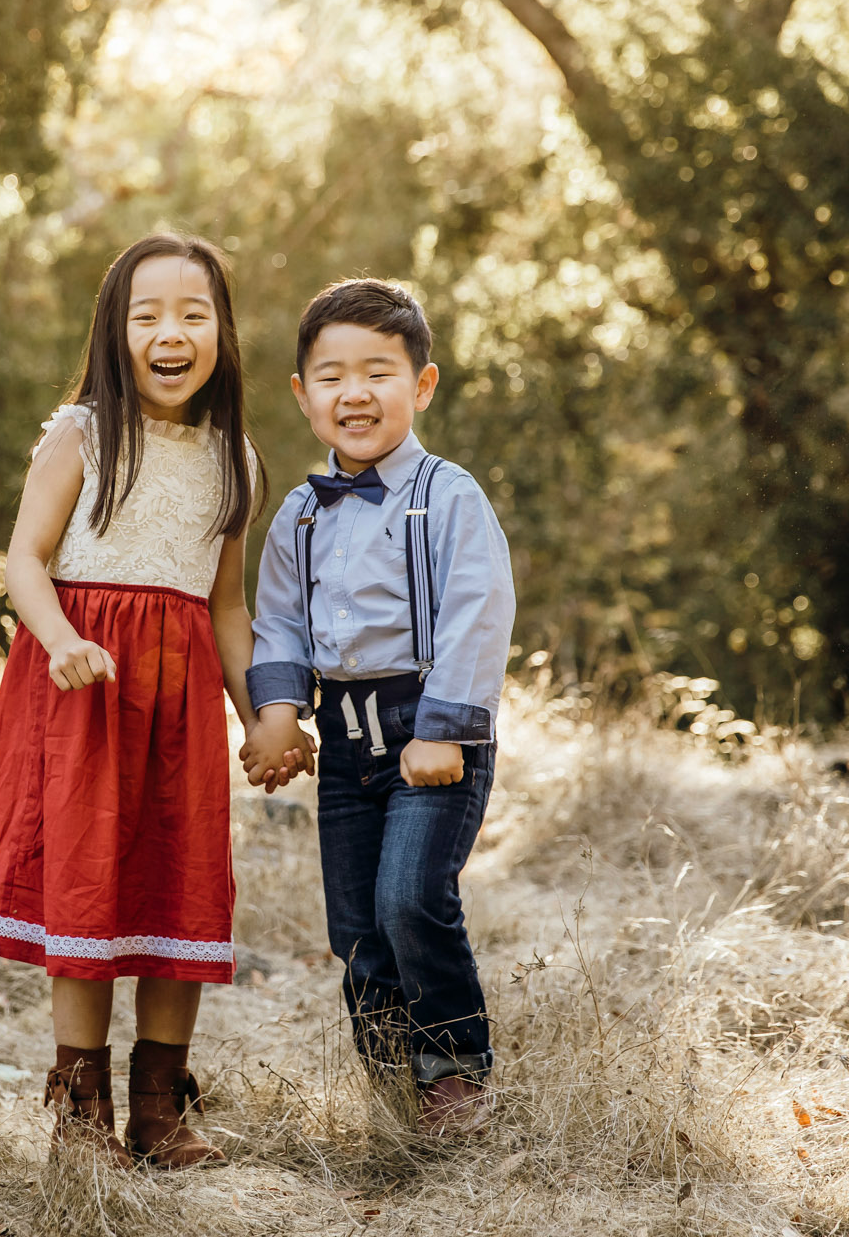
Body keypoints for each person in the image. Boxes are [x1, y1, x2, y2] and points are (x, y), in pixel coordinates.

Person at [0, 233, 283, 1168]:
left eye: (193, 313)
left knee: (182, 891)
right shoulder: (82, 435)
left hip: (179, 709)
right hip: (86, 693)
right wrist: (60, 640)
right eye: (148, 314)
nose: (171, 332)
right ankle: (80, 1114)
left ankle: (160, 1110)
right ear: (114, 330)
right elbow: (23, 558)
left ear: (222, 332)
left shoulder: (238, 462)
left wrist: (261, 712)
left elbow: (227, 604)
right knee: (89, 894)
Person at [241, 278, 515, 1137]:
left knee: (409, 897)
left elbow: (478, 609)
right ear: (302, 395)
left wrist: (442, 730)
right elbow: (280, 618)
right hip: (345, 747)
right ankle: (392, 1084)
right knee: (357, 927)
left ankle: (454, 1072)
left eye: (378, 373)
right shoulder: (298, 515)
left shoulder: (449, 496)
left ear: (422, 385)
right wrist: (279, 710)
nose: (354, 393)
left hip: (427, 736)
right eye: (332, 376)